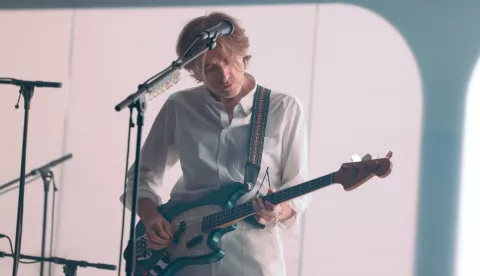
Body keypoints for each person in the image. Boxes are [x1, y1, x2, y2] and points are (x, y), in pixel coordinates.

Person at [120, 11, 310, 276]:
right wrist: (151, 218)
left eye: (230, 61)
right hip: (182, 252)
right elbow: (142, 175)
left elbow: (298, 188)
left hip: (252, 257)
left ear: (243, 54)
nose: (225, 76)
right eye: (209, 68)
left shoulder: (284, 108)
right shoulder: (180, 106)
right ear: (194, 71)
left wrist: (277, 212)